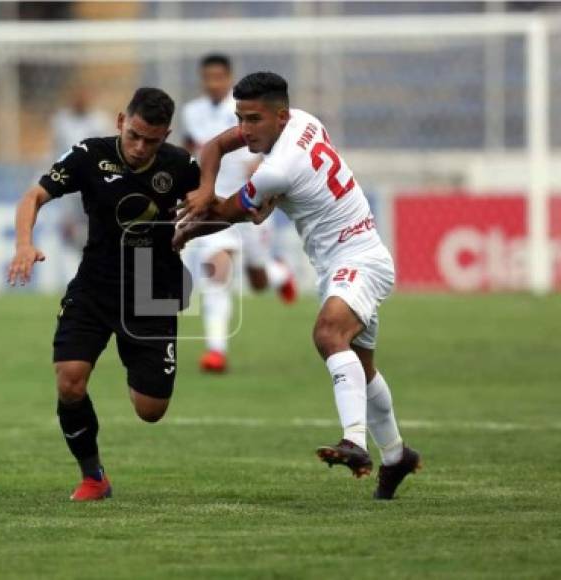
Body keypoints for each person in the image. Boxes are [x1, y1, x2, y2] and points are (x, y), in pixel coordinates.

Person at [176, 72, 421, 500]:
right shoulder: (303, 121)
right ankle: (397, 455)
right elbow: (214, 146)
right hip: (341, 261)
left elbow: (225, 214)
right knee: (361, 370)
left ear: (279, 115)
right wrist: (205, 189)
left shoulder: (278, 169)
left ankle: (355, 444)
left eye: (254, 119)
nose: (245, 129)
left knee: (327, 334)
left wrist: (181, 232)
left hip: (359, 259)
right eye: (241, 118)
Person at [8, 88, 200, 501]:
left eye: (152, 140)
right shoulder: (88, 154)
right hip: (96, 282)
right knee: (70, 381)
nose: (139, 147)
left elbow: (210, 208)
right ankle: (93, 476)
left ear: (166, 135)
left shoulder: (182, 165)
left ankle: (140, 365)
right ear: (119, 122)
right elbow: (34, 195)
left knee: (151, 410)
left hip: (152, 287)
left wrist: (195, 226)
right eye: (133, 135)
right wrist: (24, 243)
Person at [181, 54, 296, 374]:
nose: (214, 83)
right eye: (208, 78)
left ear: (229, 78)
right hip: (215, 204)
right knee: (217, 272)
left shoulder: (249, 107)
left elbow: (280, 144)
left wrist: (262, 165)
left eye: (220, 77)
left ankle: (280, 274)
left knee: (257, 280)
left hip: (250, 198)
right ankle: (216, 350)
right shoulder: (192, 113)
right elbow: (191, 150)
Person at [49, 87, 111, 278]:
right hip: (70, 187)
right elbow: (55, 153)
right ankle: (78, 277)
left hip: (95, 185)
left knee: (100, 230)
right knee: (71, 234)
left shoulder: (100, 121)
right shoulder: (60, 122)